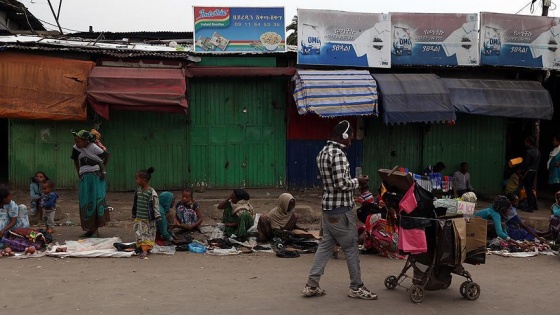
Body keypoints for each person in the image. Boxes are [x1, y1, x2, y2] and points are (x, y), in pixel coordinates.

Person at [302, 120, 376, 300]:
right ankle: (356, 287)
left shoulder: (322, 153)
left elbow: (334, 182)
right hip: (341, 209)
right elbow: (341, 184)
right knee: (351, 247)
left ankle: (312, 284)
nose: (351, 141)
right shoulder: (338, 155)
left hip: (328, 207)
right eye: (350, 137)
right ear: (343, 136)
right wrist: (359, 182)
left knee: (326, 245)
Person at [71, 130, 110, 237]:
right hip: (84, 176)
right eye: (75, 141)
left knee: (96, 200)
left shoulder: (94, 148)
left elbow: (107, 156)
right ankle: (89, 228)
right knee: (85, 201)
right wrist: (79, 172)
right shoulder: (76, 148)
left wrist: (103, 169)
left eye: (79, 141)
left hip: (96, 177)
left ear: (86, 141)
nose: (76, 144)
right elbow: (75, 160)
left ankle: (96, 229)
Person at [131, 167, 160, 259]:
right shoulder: (138, 191)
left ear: (143, 180)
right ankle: (142, 248)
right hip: (139, 217)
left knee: (146, 235)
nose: (136, 180)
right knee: (139, 234)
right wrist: (134, 213)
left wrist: (157, 215)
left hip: (147, 219)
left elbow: (155, 204)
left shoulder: (151, 192)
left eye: (137, 178)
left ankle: (145, 250)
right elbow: (135, 203)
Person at [520, 136, 540, 212]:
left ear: (529, 142)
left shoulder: (528, 152)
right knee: (530, 189)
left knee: (528, 189)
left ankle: (530, 207)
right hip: (534, 171)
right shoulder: (538, 151)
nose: (525, 144)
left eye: (526, 142)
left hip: (528, 172)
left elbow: (526, 163)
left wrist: (520, 169)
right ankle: (533, 205)